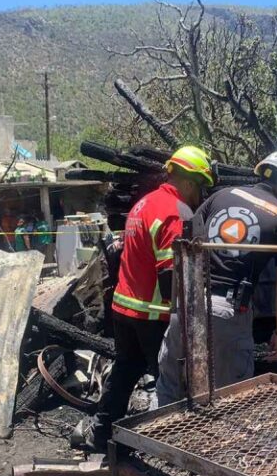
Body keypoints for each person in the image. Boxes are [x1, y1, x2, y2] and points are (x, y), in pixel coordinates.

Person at [83, 145, 215, 451]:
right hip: (152, 315)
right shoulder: (174, 212)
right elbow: (172, 274)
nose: (202, 195)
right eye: (201, 186)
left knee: (125, 369)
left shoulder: (144, 203)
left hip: (124, 307)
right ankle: (172, 446)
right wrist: (185, 321)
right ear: (188, 181)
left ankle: (101, 432)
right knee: (170, 380)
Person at [156, 149, 277, 405]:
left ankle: (154, 442)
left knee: (170, 390)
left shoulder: (222, 195)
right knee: (230, 400)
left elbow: (189, 234)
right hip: (230, 313)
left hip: (188, 304)